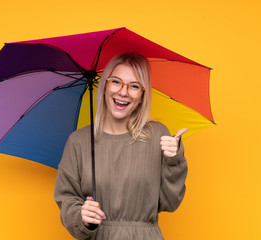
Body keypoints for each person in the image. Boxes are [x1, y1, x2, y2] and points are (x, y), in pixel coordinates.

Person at [54, 53, 188, 239]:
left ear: (142, 95)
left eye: (134, 86)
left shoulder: (158, 135)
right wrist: (81, 215)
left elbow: (170, 202)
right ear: (104, 87)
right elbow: (67, 198)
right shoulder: (79, 141)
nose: (123, 92)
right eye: (116, 82)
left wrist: (174, 160)